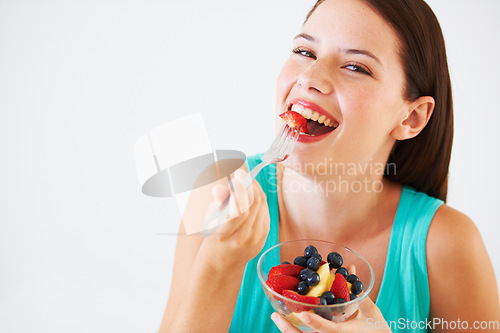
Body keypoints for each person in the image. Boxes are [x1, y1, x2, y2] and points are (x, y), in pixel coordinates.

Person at [159, 0, 500, 332]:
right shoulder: (216, 194)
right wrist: (219, 263)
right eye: (305, 52)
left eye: (356, 67)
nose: (310, 77)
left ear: (411, 117)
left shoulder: (446, 244)